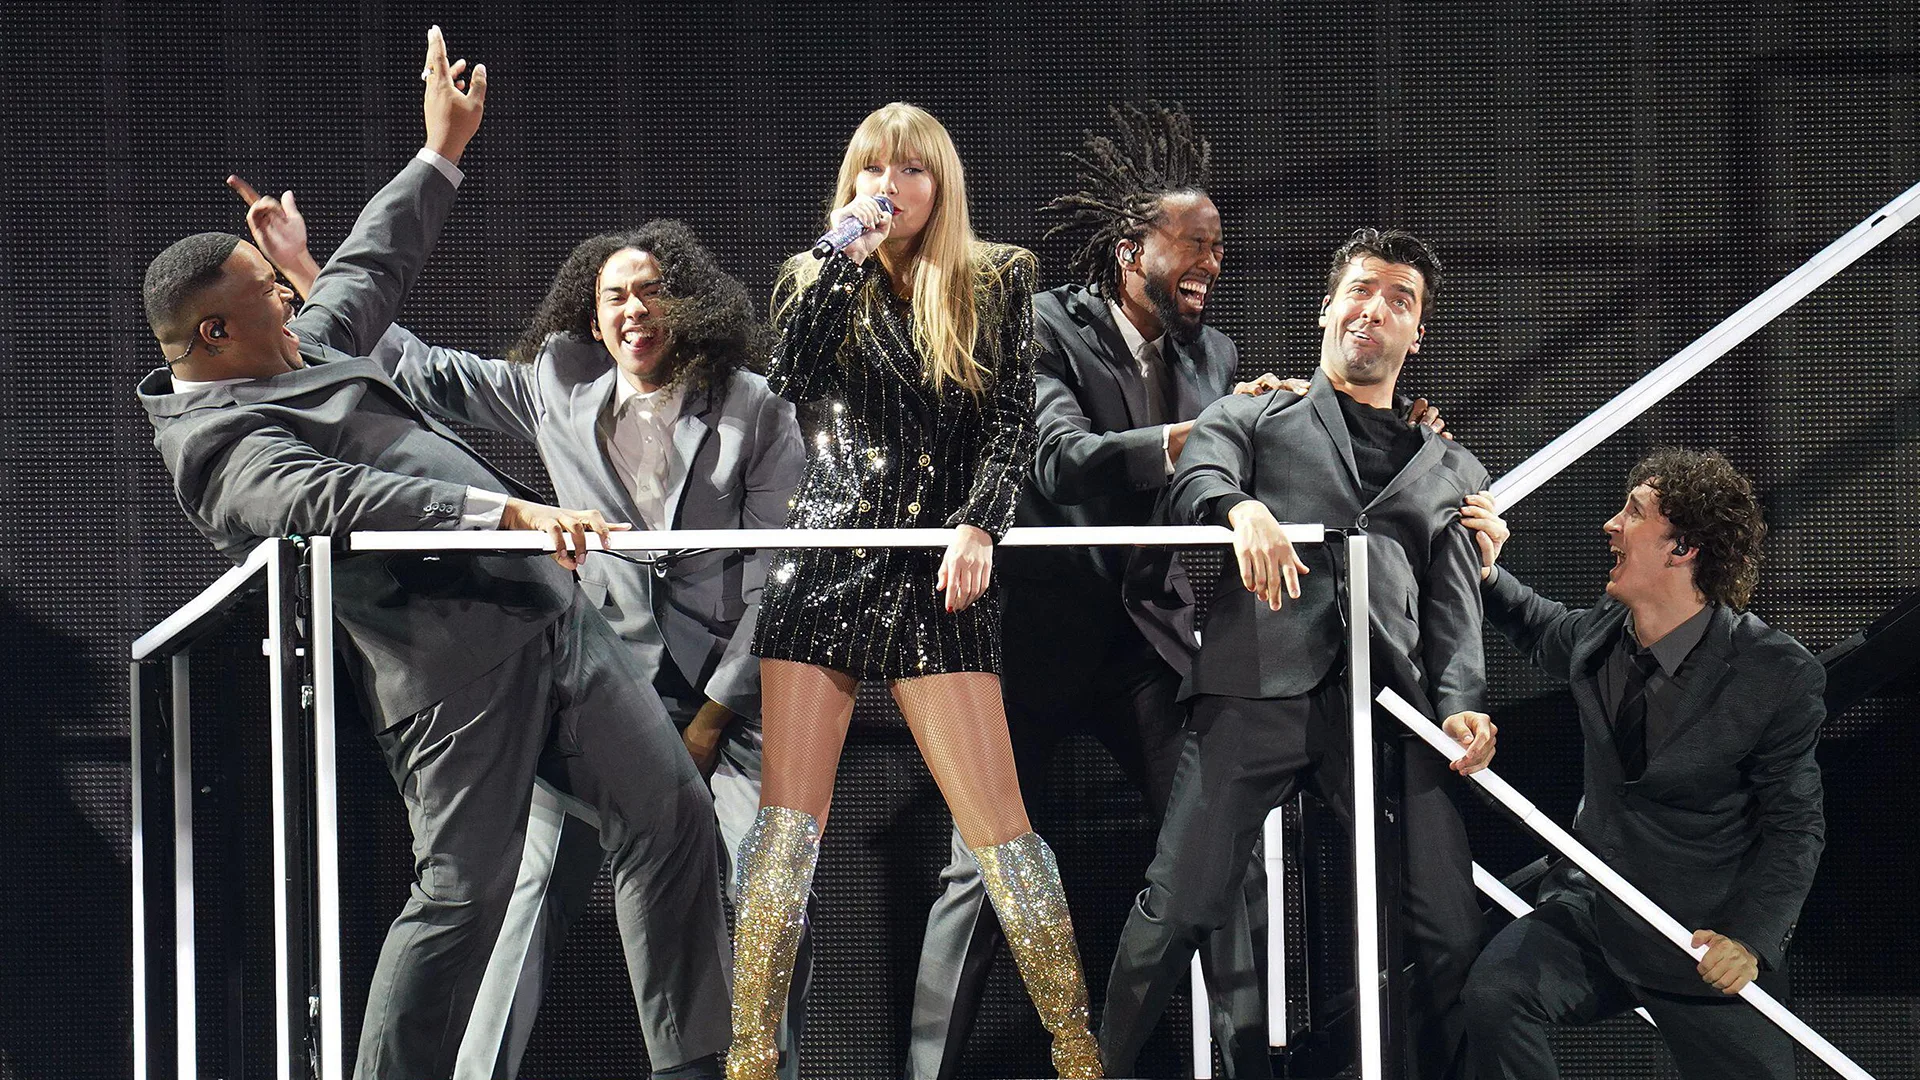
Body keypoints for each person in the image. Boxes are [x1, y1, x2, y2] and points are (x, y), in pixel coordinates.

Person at [136, 30, 730, 1080]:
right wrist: (504, 514)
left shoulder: (293, 338)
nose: (292, 295)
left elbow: (368, 263)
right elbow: (330, 496)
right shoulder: (213, 443)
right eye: (269, 292)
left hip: (547, 614)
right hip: (453, 668)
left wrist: (439, 150)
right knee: (465, 893)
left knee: (672, 813)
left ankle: (693, 1066)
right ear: (215, 336)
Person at [233, 194, 808, 1077]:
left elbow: (781, 576)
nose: (633, 311)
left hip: (721, 706)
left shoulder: (754, 408)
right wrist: (311, 273)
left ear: (687, 304)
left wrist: (713, 718)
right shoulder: (558, 388)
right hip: (588, 675)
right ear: (592, 317)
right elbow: (420, 370)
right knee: (519, 898)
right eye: (614, 298)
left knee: (764, 897)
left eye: (651, 291)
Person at [729, 102, 1100, 1080]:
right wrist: (842, 249)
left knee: (1003, 837)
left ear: (943, 183)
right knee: (784, 837)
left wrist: (981, 523)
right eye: (874, 170)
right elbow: (792, 379)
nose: (891, 186)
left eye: (912, 171)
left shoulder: (997, 277)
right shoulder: (817, 276)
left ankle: (1077, 1052)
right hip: (825, 569)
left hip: (937, 571)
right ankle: (750, 1061)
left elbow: (1013, 423)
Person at [910, 102, 1273, 1080]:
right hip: (1031, 638)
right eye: (1191, 244)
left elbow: (1213, 483)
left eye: (1220, 247)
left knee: (1218, 857)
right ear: (1128, 250)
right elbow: (1063, 461)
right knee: (981, 871)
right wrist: (1210, 438)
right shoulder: (1039, 326)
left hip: (1146, 643)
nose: (1211, 262)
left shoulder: (1217, 357)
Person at [1099, 228, 1497, 1080]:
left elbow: (1454, 606)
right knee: (1178, 908)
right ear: (1327, 306)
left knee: (1448, 925)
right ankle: (1091, 1069)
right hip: (1256, 689)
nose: (1376, 310)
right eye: (1361, 289)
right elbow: (1197, 475)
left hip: (1388, 710)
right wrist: (1241, 512)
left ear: (1417, 332)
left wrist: (1461, 698)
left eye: (1401, 300)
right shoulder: (1257, 411)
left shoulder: (1450, 465)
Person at [1456, 450, 1825, 1080]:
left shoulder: (1776, 675)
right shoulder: (1608, 629)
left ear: (1681, 549)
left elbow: (1796, 828)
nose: (1611, 525)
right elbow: (1546, 630)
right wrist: (1488, 575)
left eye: (1633, 512)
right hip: (1593, 915)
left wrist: (1749, 943)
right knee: (1496, 995)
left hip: (1696, 939)